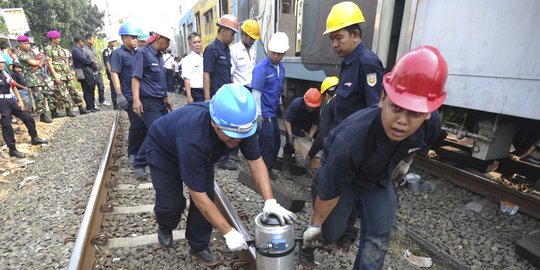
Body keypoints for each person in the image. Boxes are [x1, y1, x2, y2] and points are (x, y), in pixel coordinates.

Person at [300, 46, 448, 270]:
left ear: (427, 113)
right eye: (396, 108)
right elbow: (330, 190)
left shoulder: (430, 125)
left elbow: (416, 145)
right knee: (330, 232)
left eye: (415, 113)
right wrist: (315, 225)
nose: (402, 121)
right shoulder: (351, 139)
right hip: (344, 179)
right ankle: (307, 247)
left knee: (377, 239)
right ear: (382, 98)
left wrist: (406, 163)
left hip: (379, 180)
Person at [141, 83, 296, 266]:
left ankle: (199, 245)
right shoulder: (194, 136)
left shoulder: (241, 125)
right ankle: (165, 225)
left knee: (208, 196)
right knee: (172, 204)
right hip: (164, 151)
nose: (236, 140)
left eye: (241, 136)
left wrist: (270, 201)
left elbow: (256, 162)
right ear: (214, 122)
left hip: (202, 154)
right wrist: (228, 231)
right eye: (230, 136)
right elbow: (197, 195)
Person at [323, 1, 384, 126]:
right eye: (332, 38)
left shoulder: (367, 63)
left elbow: (375, 113)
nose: (334, 44)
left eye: (339, 38)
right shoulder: (349, 62)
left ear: (355, 35)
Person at [131, 26, 173, 176]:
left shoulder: (159, 56)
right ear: (160, 38)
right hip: (148, 101)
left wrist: (166, 97)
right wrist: (136, 100)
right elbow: (136, 78)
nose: (168, 45)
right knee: (157, 132)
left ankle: (153, 159)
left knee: (163, 131)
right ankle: (139, 162)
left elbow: (160, 80)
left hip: (160, 101)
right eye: (167, 41)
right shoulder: (142, 53)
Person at [251, 32, 289, 179]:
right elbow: (256, 92)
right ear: (269, 50)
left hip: (272, 111)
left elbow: (278, 89)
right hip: (264, 111)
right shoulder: (262, 68)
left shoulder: (281, 68)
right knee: (267, 141)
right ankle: (263, 170)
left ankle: (269, 166)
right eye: (274, 53)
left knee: (276, 141)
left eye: (280, 54)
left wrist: (279, 104)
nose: (276, 57)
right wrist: (259, 114)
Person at [203, 14, 238, 170]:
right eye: (232, 33)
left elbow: (228, 73)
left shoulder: (226, 50)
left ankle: (221, 157)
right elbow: (207, 74)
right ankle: (216, 157)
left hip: (225, 95)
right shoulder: (211, 49)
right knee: (215, 126)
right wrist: (207, 98)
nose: (233, 37)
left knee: (225, 125)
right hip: (216, 96)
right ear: (224, 30)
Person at [110, 22, 145, 165]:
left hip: (141, 94)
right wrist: (119, 94)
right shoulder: (118, 54)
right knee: (136, 125)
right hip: (129, 96)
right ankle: (133, 152)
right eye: (133, 37)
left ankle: (143, 152)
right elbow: (114, 74)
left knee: (144, 124)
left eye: (137, 37)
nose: (135, 40)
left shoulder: (138, 53)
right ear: (124, 38)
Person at [0, 57, 48, 158]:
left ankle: (34, 138)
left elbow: (13, 86)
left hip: (10, 100)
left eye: (3, 62)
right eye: (0, 63)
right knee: (7, 125)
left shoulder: (5, 74)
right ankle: (12, 149)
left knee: (28, 117)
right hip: (1, 102)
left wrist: (20, 100)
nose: (2, 64)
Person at [44, 30, 87, 117]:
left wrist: (70, 72)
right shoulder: (48, 49)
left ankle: (80, 107)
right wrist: (55, 76)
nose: (59, 39)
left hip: (67, 72)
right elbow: (49, 62)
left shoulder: (61, 48)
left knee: (74, 90)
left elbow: (66, 61)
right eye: (57, 38)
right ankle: (68, 110)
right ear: (52, 39)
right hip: (58, 73)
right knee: (62, 93)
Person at [282, 88, 321, 178]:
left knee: (310, 145)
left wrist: (310, 136)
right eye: (309, 106)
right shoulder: (296, 104)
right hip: (294, 122)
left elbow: (315, 124)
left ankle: (307, 166)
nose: (311, 108)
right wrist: (290, 135)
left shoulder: (317, 108)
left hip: (307, 123)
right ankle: (285, 168)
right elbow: (287, 120)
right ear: (305, 101)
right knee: (290, 143)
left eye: (313, 107)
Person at [17, 35, 55, 123]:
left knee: (48, 93)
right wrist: (37, 63)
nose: (28, 45)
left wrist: (37, 64)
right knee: (38, 97)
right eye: (25, 44)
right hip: (31, 78)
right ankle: (42, 115)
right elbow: (33, 62)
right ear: (20, 44)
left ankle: (53, 111)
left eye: (28, 43)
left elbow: (41, 62)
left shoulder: (31, 52)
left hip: (39, 76)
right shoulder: (20, 53)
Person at [304, 76, 339, 168]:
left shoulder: (328, 105)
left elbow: (322, 135)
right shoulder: (349, 100)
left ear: (326, 95)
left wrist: (310, 155)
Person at [72, 36, 98, 113]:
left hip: (86, 69)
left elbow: (87, 59)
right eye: (82, 41)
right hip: (82, 71)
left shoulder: (81, 50)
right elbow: (84, 60)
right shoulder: (76, 51)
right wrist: (92, 63)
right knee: (86, 88)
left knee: (91, 87)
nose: (83, 43)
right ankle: (89, 106)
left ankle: (92, 105)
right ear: (79, 42)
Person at [83, 33, 108, 106]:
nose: (93, 41)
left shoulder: (93, 48)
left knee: (101, 86)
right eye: (92, 39)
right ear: (88, 39)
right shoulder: (84, 49)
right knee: (92, 87)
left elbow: (96, 57)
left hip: (98, 71)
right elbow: (86, 60)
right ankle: (92, 103)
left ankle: (102, 100)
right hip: (92, 71)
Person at [181, 32, 204, 103]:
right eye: (194, 42)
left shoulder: (204, 57)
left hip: (205, 91)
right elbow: (186, 79)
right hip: (195, 93)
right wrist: (189, 96)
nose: (197, 44)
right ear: (190, 45)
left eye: (199, 42)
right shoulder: (187, 59)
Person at [102, 37, 118, 109]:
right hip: (112, 71)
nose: (114, 43)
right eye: (113, 41)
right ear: (109, 42)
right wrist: (111, 72)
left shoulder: (116, 50)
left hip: (117, 71)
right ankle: (115, 104)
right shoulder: (106, 51)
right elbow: (107, 62)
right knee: (113, 88)